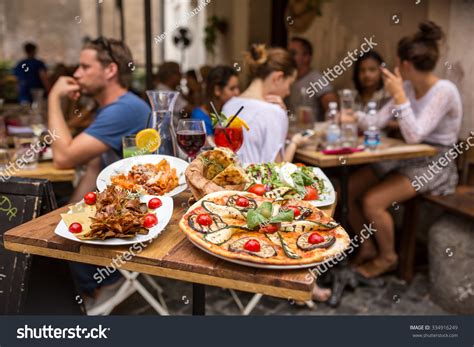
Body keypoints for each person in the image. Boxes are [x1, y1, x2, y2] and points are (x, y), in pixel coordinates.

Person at [345, 21, 462, 278]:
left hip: (436, 161)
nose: (395, 69)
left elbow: (414, 133)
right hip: (405, 155)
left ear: (406, 65)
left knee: (372, 202)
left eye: (398, 63)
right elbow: (377, 122)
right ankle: (366, 246)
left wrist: (399, 96)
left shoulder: (445, 91)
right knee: (348, 189)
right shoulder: (408, 87)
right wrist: (354, 116)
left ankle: (388, 257)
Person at [47, 37, 151, 306]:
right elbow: (94, 166)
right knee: (51, 220)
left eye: (84, 67)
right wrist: (67, 213)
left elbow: (63, 158)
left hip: (136, 213)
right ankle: (87, 287)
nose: (76, 74)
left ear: (110, 70)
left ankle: (103, 283)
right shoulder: (114, 107)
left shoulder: (124, 109)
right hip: (120, 203)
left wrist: (53, 98)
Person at [222, 44, 309, 165]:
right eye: (289, 84)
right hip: (256, 183)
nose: (288, 92)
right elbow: (278, 170)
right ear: (278, 77)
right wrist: (294, 143)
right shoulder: (274, 112)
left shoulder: (229, 105)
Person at [287, 37, 337, 122]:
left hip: (310, 132)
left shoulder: (317, 79)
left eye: (293, 53)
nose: (288, 57)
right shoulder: (288, 79)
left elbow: (333, 108)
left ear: (306, 57)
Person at [191, 65, 240, 136]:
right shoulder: (199, 116)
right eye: (232, 88)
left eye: (238, 87)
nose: (237, 92)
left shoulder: (230, 112)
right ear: (217, 90)